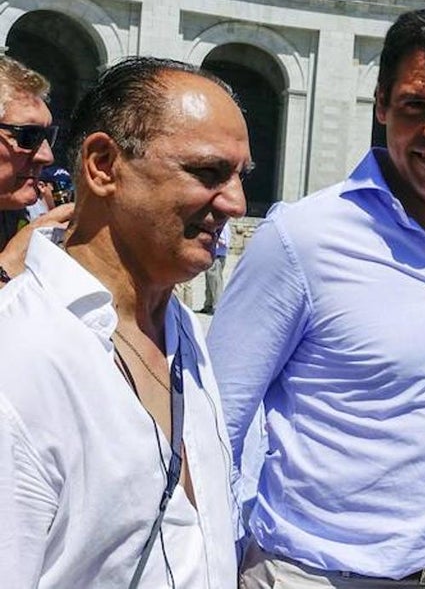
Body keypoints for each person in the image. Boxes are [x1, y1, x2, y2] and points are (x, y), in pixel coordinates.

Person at [208, 5, 425, 588]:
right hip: (320, 574)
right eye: (415, 106)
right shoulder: (302, 239)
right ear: (381, 105)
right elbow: (216, 426)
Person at [0, 56, 249, 586]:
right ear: (103, 165)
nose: (235, 202)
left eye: (239, 176)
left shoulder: (180, 326)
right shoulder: (18, 357)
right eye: (208, 172)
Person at [0, 55, 71, 284]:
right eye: (27, 136)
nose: (46, 156)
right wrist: (9, 264)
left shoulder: (15, 213)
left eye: (47, 137)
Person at [197, 220, 230, 314]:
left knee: (216, 282)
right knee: (209, 281)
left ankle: (217, 306)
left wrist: (213, 238)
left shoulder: (223, 227)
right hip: (214, 255)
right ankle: (208, 304)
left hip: (218, 256)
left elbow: (225, 242)